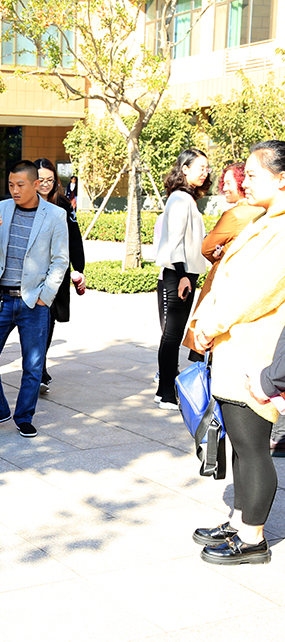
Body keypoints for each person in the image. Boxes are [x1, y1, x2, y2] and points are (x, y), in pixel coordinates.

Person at [189, 140, 285, 565]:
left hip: (253, 351)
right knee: (241, 445)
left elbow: (254, 291)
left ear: (282, 180)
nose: (245, 181)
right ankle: (240, 521)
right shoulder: (265, 220)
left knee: (252, 446)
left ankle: (253, 539)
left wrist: (209, 325)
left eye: (254, 174)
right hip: (233, 346)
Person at [0, 160, 69, 438]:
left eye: (20, 185)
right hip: (1, 298)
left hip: (33, 301)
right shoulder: (2, 209)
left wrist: (44, 297)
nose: (15, 190)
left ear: (36, 184)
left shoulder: (55, 215)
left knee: (33, 364)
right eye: (11, 185)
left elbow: (60, 261)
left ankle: (24, 416)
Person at [182, 162, 263, 357]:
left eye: (228, 183)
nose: (224, 188)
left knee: (208, 344)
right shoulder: (265, 212)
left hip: (224, 281)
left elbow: (207, 247)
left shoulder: (234, 215)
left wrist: (220, 255)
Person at [154, 149, 211, 410]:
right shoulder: (180, 198)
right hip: (179, 275)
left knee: (173, 335)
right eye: (200, 167)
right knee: (171, 336)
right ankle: (167, 393)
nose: (205, 173)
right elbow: (175, 241)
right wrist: (182, 276)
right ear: (185, 169)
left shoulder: (186, 198)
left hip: (184, 273)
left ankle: (163, 390)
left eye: (207, 168)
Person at [34, 158, 86, 393]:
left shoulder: (63, 204)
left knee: (48, 320)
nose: (45, 184)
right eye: (41, 180)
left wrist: (79, 268)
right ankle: (36, 368)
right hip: (31, 273)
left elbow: (74, 237)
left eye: (50, 180)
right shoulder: (24, 202)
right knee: (34, 321)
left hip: (56, 272)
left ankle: (39, 369)